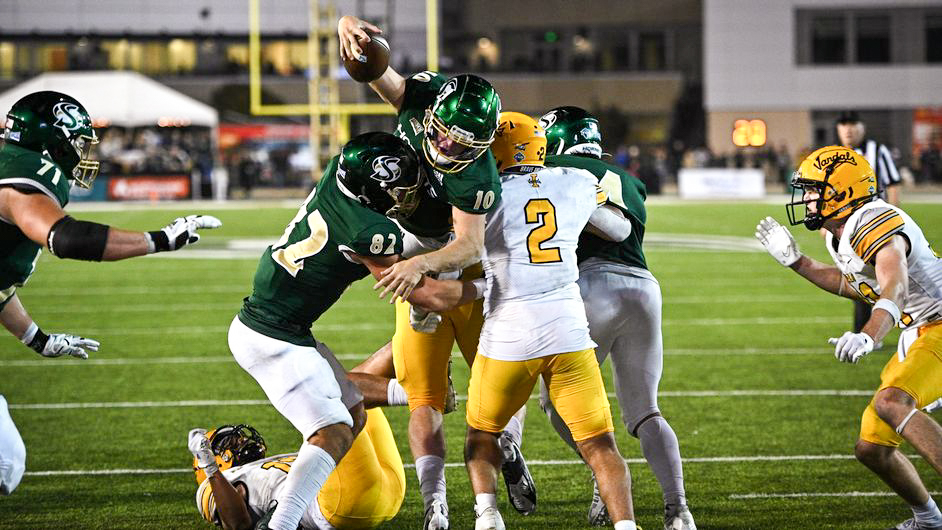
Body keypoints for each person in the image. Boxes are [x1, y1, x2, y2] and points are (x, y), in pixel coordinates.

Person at [337, 17, 535, 530]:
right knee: (423, 393)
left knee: (497, 383)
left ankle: (509, 450)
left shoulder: (477, 175)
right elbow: (383, 78)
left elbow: (465, 243)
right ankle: (436, 504)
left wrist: (419, 267)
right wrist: (347, 30)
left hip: (461, 259)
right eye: (444, 137)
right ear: (435, 115)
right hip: (418, 245)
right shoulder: (422, 96)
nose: (447, 150)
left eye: (463, 145)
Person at [229, 131, 469, 530]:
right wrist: (486, 284)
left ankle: (288, 513)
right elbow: (425, 295)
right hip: (272, 336)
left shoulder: (338, 176)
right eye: (397, 190)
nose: (405, 197)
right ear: (374, 191)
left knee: (353, 410)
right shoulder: (369, 231)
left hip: (280, 325)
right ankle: (282, 525)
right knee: (333, 431)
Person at [0, 90, 221, 495]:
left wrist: (37, 339)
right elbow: (65, 238)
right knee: (5, 465)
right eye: (78, 142)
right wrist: (160, 239)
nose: (84, 153)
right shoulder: (24, 173)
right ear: (53, 141)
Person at [423, 112, 637, 530]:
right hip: (569, 332)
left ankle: (487, 516)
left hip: (509, 333)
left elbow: (456, 256)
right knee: (600, 444)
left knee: (482, 436)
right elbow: (619, 230)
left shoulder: (487, 194)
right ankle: (626, 525)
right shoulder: (574, 181)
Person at [756, 145, 942, 530]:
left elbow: (895, 288)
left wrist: (870, 336)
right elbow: (855, 285)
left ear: (840, 191)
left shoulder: (874, 221)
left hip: (939, 324)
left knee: (892, 402)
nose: (806, 198)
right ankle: (928, 520)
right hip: (919, 329)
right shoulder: (839, 232)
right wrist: (799, 263)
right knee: (871, 448)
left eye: (812, 190)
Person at [538, 106, 697, 530]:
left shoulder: (552, 168)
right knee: (646, 410)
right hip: (643, 288)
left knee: (556, 403)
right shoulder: (628, 179)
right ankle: (678, 509)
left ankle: (601, 468)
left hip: (589, 288)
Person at [189, 410, 405, 529]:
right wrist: (209, 467)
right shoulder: (217, 480)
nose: (242, 441)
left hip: (390, 496)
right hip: (340, 503)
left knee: (361, 391)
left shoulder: (261, 468)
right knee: (338, 399)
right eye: (230, 443)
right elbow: (237, 524)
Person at [835, 110, 904, 337]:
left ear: (862, 128)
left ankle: (868, 333)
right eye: (843, 124)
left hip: (875, 225)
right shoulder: (835, 155)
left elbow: (893, 183)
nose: (848, 129)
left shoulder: (878, 151)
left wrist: (895, 215)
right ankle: (867, 332)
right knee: (859, 280)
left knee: (876, 278)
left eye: (852, 124)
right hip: (846, 227)